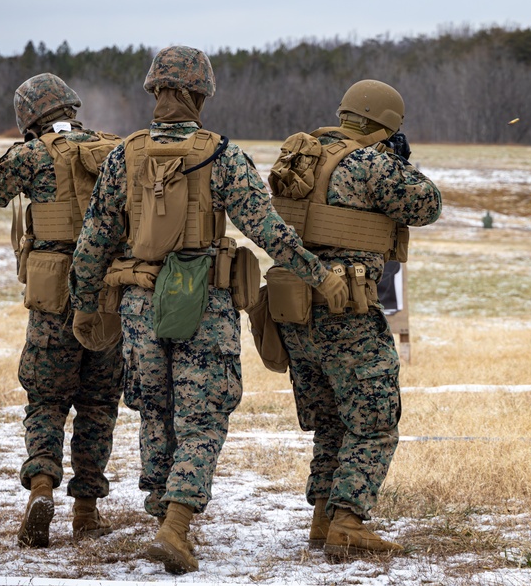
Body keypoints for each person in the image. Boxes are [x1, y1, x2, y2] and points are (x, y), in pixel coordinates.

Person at [69, 45, 347, 575]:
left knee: (155, 412)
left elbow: (93, 241)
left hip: (139, 304)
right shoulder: (221, 154)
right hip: (203, 302)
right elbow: (268, 230)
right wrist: (320, 274)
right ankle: (175, 526)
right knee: (202, 417)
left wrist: (84, 304)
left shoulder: (123, 155)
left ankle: (163, 517)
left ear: (156, 90)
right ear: (200, 94)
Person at [267, 79, 442, 558]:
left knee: (331, 420)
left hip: (293, 306)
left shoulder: (302, 155)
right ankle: (348, 523)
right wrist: (402, 162)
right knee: (374, 419)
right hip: (346, 308)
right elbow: (428, 205)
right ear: (386, 124)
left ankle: (323, 519)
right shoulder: (372, 163)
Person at [0, 73, 124, 548]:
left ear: (29, 118)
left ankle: (40, 487)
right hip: (107, 296)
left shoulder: (32, 155)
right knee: (99, 404)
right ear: (71, 106)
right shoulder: (114, 148)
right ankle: (86, 511)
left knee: (46, 400)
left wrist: (19, 158)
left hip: (53, 300)